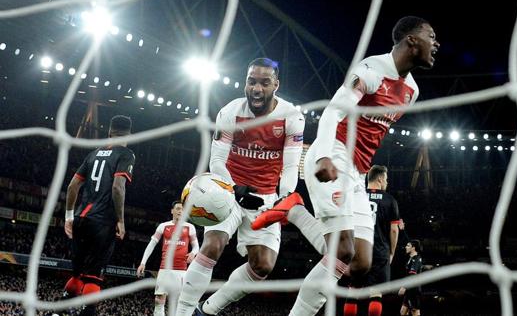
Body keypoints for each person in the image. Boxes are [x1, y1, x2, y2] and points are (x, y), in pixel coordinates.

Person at [267, 16, 440, 315]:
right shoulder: (371, 70)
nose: (436, 44)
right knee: (343, 249)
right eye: (431, 36)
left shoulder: (411, 91)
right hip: (332, 156)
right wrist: (321, 155)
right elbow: (333, 111)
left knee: (359, 262)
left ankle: (294, 211)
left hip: (357, 173)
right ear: (412, 40)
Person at [175, 58, 326, 316]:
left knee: (262, 266)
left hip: (266, 198)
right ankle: (183, 312)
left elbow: (290, 167)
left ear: (276, 85)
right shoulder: (230, 112)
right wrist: (235, 188)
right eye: (251, 81)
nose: (257, 88)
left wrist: (285, 196)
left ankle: (208, 309)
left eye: (264, 83)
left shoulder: (290, 116)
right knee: (213, 244)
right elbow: (217, 161)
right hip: (228, 191)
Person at [63, 115, 135, 316]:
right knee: (93, 277)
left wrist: (69, 215)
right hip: (102, 221)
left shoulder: (93, 154)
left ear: (109, 132)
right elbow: (117, 188)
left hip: (81, 218)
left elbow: (72, 186)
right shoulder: (127, 154)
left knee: (77, 274)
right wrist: (120, 220)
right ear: (129, 134)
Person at [343, 165, 400, 316]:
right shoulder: (390, 200)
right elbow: (394, 230)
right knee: (376, 292)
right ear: (380, 179)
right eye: (386, 179)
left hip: (358, 248)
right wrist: (392, 251)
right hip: (380, 251)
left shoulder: (357, 196)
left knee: (353, 291)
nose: (387, 183)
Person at [137, 201, 200, 316]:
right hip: (165, 268)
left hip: (181, 270)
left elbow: (196, 247)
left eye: (182, 209)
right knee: (159, 300)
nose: (180, 211)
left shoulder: (189, 227)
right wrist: (143, 262)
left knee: (179, 302)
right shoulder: (163, 226)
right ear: (172, 211)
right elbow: (152, 244)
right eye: (178, 208)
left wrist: (193, 253)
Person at [398, 240, 424, 316]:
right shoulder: (410, 259)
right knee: (403, 312)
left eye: (408, 246)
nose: (406, 247)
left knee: (415, 312)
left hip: (414, 290)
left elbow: (412, 274)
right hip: (410, 290)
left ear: (413, 248)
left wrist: (404, 287)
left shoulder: (416, 259)